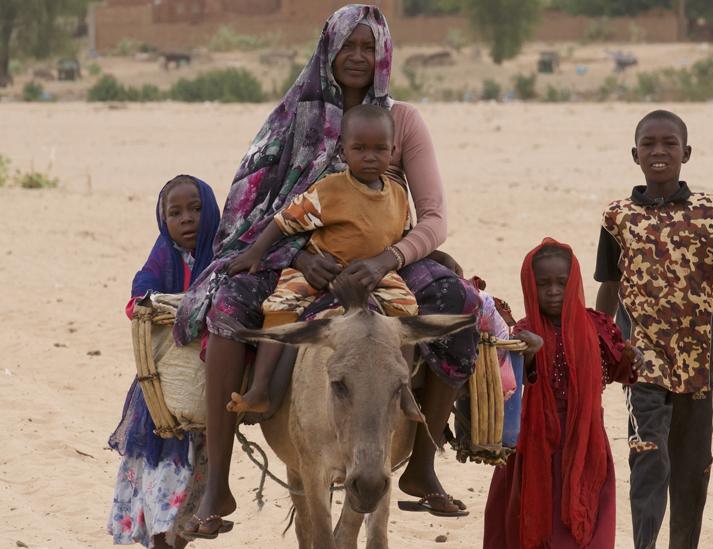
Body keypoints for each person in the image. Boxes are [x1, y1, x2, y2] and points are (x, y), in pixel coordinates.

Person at [173, 4, 480, 539]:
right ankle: (217, 481)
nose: (358, 56)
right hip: (299, 256)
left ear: (384, 53)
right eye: (348, 46)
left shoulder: (402, 120)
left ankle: (423, 462)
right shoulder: (292, 116)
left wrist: (386, 259)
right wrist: (296, 257)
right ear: (328, 49)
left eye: (369, 46)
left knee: (459, 307)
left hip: (386, 256)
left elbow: (433, 217)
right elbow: (261, 207)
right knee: (227, 307)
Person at [594, 110, 713, 549]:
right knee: (648, 458)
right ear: (634, 154)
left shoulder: (710, 211)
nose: (659, 152)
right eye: (649, 144)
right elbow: (609, 285)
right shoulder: (617, 216)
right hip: (640, 363)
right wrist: (599, 340)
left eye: (669, 144)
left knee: (692, 468)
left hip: (698, 367)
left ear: (687, 153)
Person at [225, 104, 417, 414]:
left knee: (408, 310)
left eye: (379, 149)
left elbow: (403, 237)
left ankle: (403, 387)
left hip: (375, 274)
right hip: (320, 269)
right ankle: (260, 387)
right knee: (280, 305)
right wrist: (255, 252)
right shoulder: (330, 189)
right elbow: (285, 220)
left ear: (393, 150)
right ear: (343, 149)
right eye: (360, 148)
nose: (370, 156)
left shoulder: (397, 195)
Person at [483, 239, 640, 549]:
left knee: (586, 519)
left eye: (561, 283)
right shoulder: (524, 333)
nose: (553, 290)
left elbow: (617, 371)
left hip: (585, 440)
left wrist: (631, 358)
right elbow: (509, 382)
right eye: (543, 284)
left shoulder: (596, 327)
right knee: (530, 518)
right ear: (531, 285)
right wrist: (531, 354)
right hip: (534, 443)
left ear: (574, 282)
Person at [107, 175, 221, 548]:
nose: (187, 218)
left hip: (203, 397)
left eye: (196, 209)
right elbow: (138, 297)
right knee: (162, 488)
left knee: (190, 496)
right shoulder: (163, 257)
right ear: (164, 222)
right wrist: (158, 303)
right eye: (175, 213)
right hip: (162, 402)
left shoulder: (222, 258)